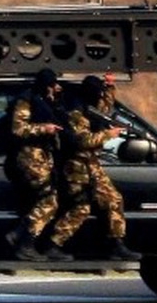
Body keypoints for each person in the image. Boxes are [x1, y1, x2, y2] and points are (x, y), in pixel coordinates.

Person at [44, 74, 141, 261]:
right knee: (81, 207)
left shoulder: (91, 108)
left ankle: (116, 243)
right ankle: (53, 244)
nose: (99, 97)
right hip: (76, 165)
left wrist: (110, 87)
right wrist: (107, 134)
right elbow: (82, 140)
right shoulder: (75, 112)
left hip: (91, 164)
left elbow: (106, 107)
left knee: (113, 200)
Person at [4, 68, 69, 261]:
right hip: (30, 156)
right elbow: (18, 129)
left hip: (42, 156)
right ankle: (24, 242)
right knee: (49, 201)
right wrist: (44, 128)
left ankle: (19, 235)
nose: (55, 88)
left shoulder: (44, 100)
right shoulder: (26, 101)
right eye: (52, 85)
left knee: (47, 199)